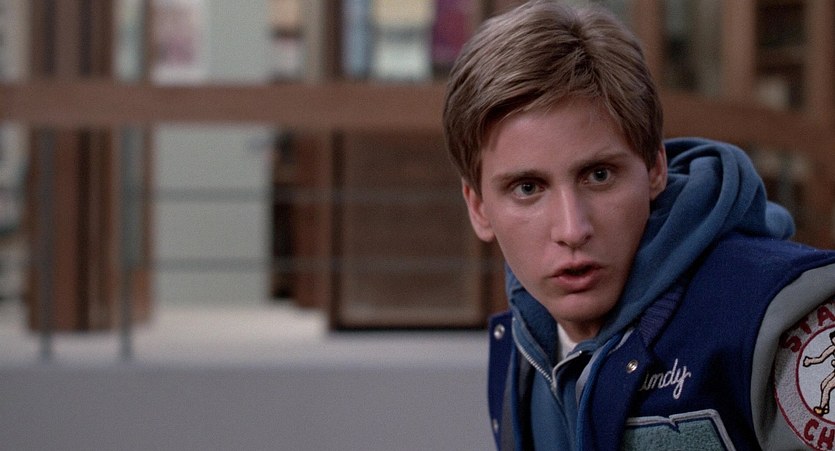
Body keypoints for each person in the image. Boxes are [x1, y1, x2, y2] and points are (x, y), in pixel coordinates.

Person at [441, 1, 835, 449]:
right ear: (479, 208)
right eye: (528, 188)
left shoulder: (784, 321)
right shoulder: (525, 348)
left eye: (599, 176)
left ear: (654, 168)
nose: (572, 229)